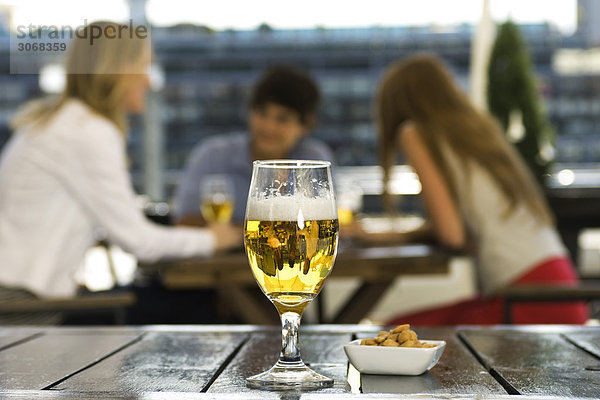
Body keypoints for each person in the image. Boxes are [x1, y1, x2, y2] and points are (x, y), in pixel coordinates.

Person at [0, 21, 240, 312]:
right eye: (143, 65)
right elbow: (140, 242)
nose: (149, 80)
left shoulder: (58, 122)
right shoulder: (87, 131)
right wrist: (216, 237)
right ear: (116, 69)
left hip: (20, 296)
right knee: (193, 308)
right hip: (22, 306)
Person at [369, 53, 589, 325]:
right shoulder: (476, 131)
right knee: (401, 335)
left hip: (526, 301)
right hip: (560, 290)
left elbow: (452, 236)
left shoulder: (415, 132)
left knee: (394, 334)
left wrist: (387, 236)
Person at [174, 66, 335, 226]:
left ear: (305, 126)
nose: (268, 127)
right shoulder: (213, 155)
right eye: (262, 113)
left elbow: (327, 223)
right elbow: (184, 223)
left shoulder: (314, 159)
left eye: (282, 119)